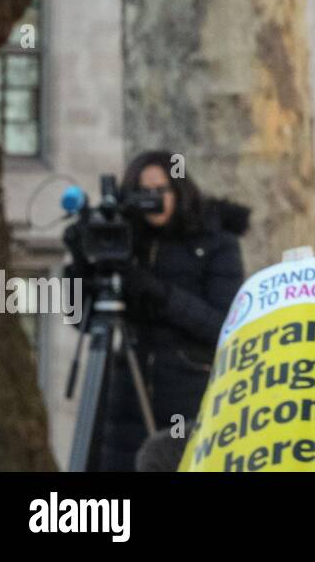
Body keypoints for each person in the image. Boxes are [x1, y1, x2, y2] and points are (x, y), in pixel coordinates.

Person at [66, 149, 246, 471]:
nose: (152, 200)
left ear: (179, 190)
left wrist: (157, 293)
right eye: (142, 193)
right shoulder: (126, 240)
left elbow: (224, 326)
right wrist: (80, 261)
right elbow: (81, 319)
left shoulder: (216, 242)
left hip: (187, 399)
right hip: (125, 400)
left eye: (160, 191)